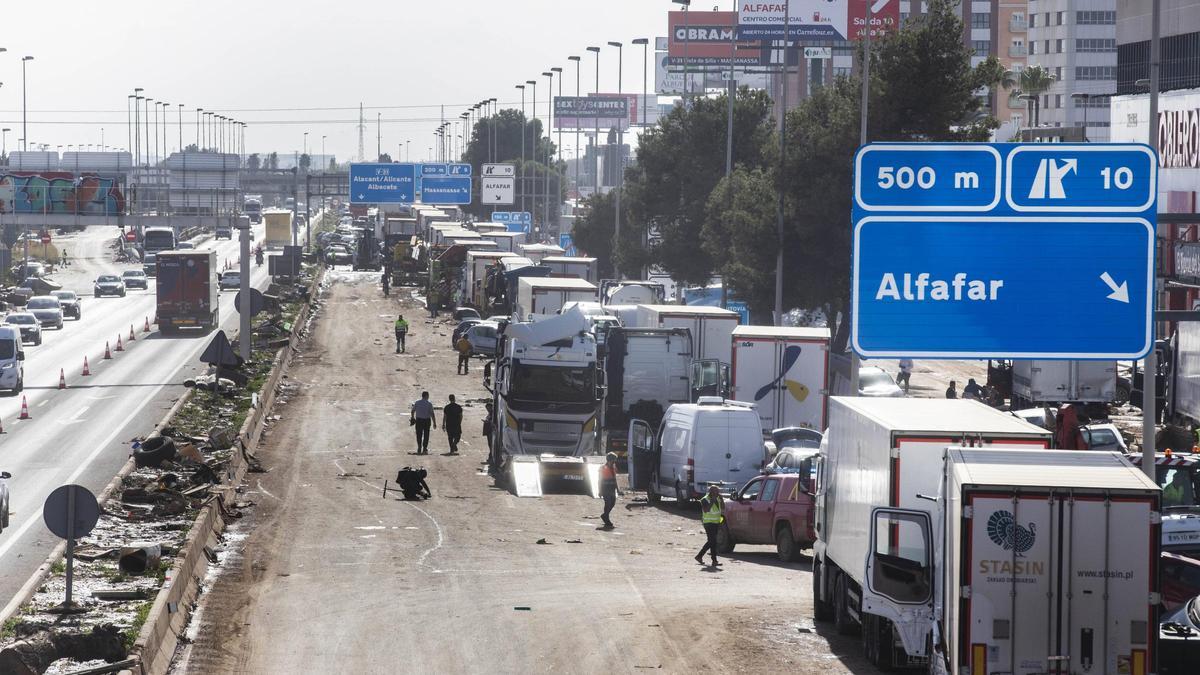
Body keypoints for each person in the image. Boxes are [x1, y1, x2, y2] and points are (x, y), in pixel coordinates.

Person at [695, 485, 725, 567]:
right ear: (711, 492)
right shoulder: (704, 499)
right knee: (713, 541)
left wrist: (721, 499)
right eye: (716, 492)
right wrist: (712, 501)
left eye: (718, 491)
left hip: (716, 523)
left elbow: (723, 508)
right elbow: (706, 510)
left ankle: (700, 556)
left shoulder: (718, 498)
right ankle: (713, 560)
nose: (718, 493)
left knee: (712, 541)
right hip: (708, 523)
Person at [599, 452, 619, 530]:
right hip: (605, 488)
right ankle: (606, 518)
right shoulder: (602, 468)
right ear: (610, 460)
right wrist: (600, 490)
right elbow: (599, 480)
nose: (615, 461)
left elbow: (615, 479)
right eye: (614, 460)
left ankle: (605, 515)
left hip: (612, 488)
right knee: (608, 503)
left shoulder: (614, 467)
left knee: (612, 503)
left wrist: (618, 489)